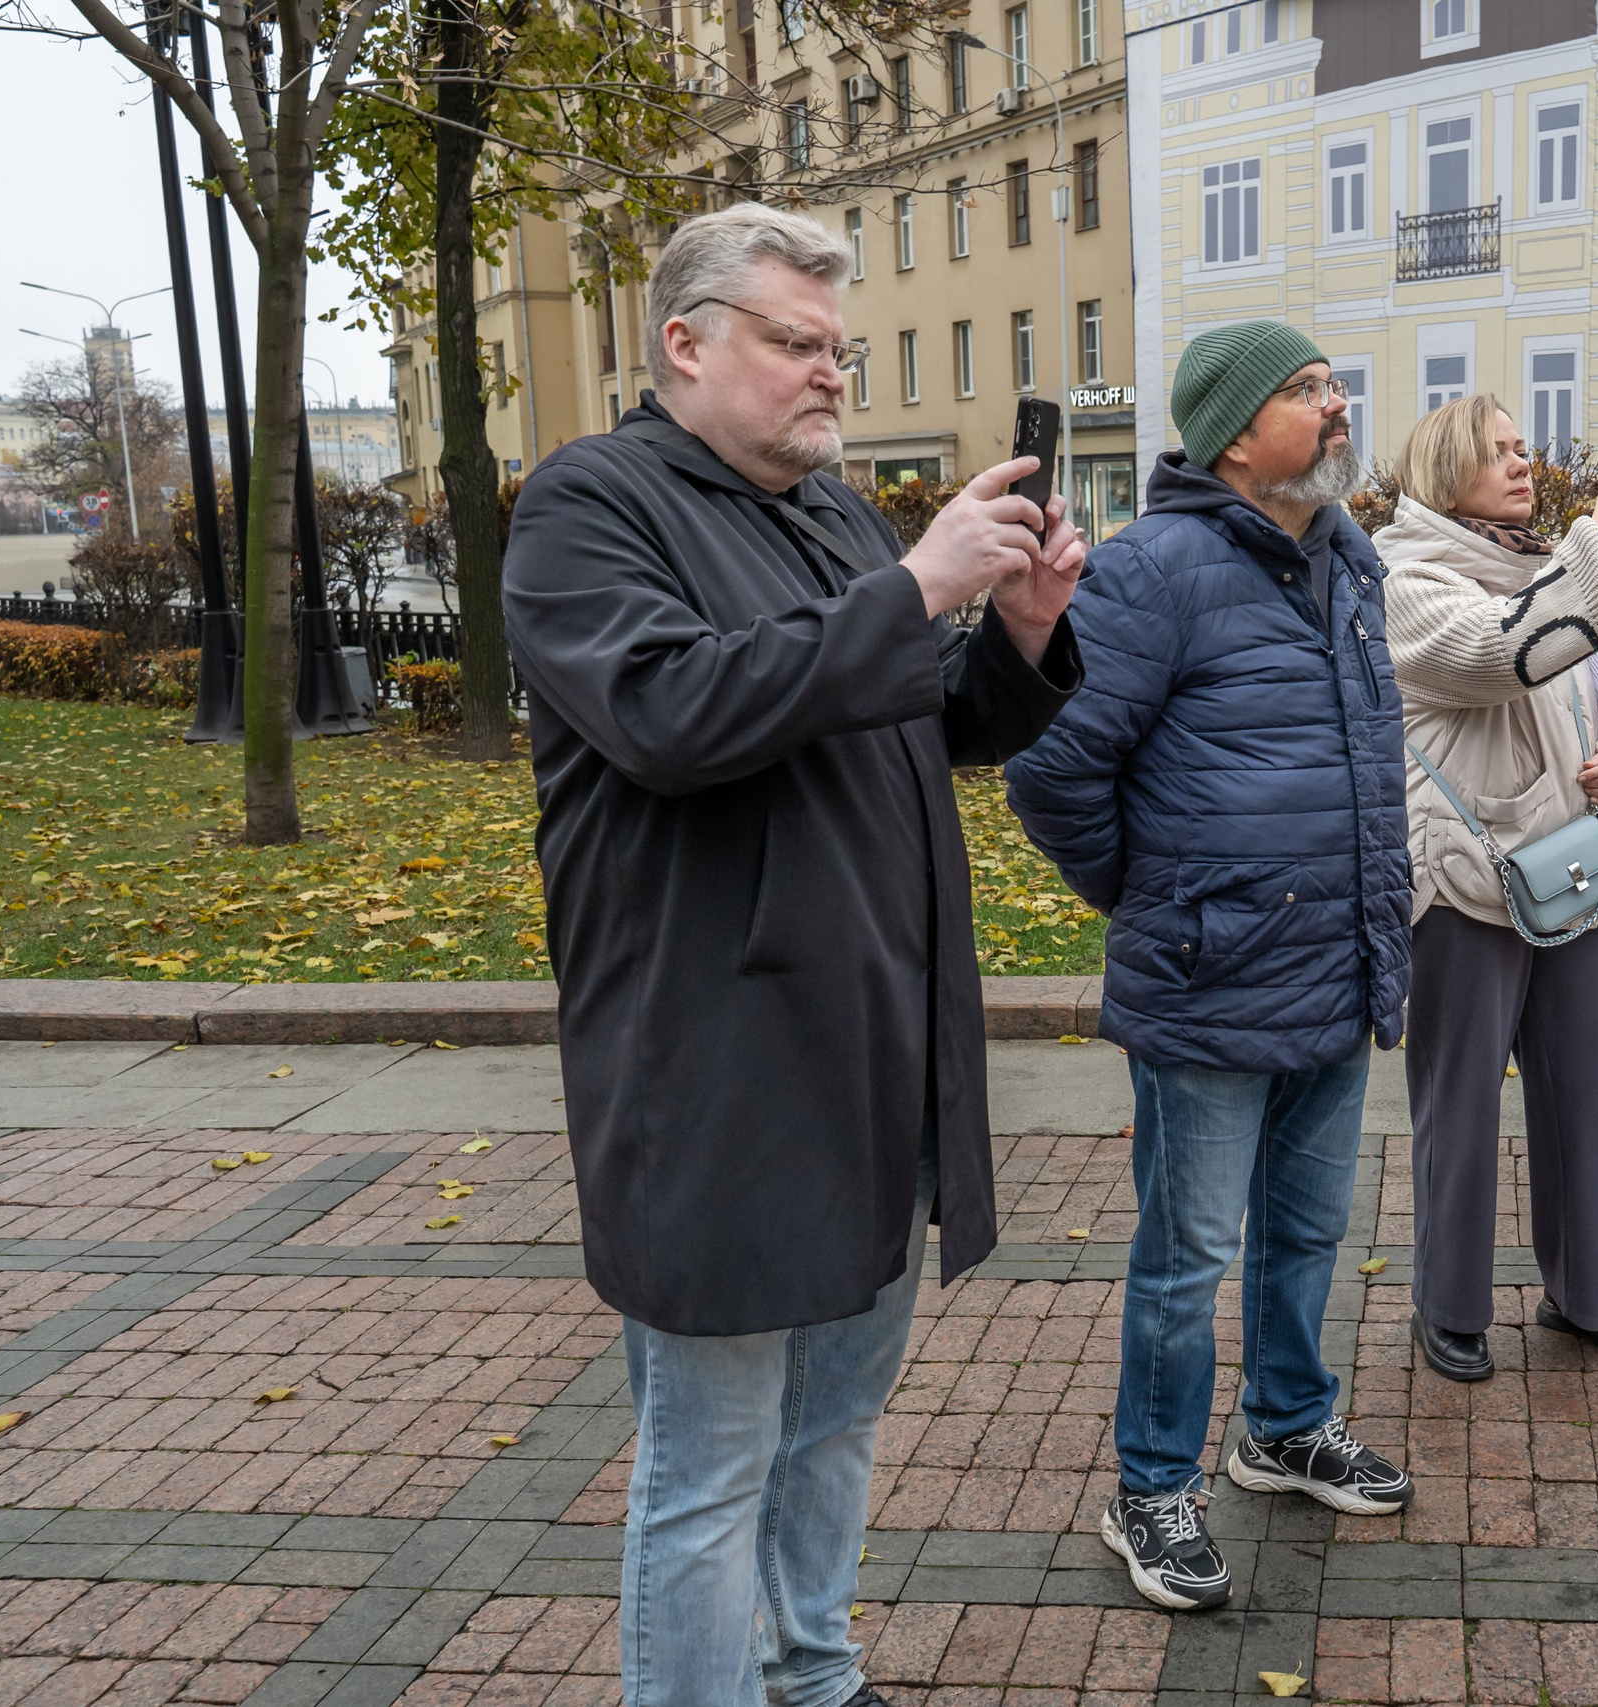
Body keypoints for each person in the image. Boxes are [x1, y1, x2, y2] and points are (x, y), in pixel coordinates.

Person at [500, 203, 1085, 1707]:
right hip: (719, 1072)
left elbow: (924, 722)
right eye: (796, 342)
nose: (833, 373)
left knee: (835, 1421)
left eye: (843, 346)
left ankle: (813, 1671)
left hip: (876, 1050)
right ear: (685, 344)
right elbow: (671, 711)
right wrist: (919, 589)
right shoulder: (588, 504)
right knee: (710, 1464)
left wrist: (1013, 633)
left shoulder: (826, 514)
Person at [1004, 320, 1414, 1611]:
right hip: (1208, 983)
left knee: (1309, 1228)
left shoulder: (1348, 558)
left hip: (1334, 968)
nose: (1337, 405)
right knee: (1186, 1256)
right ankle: (1151, 1484)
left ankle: (1285, 1422)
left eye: (1334, 383)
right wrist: (1148, 892)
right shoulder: (1157, 570)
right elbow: (1050, 762)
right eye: (1308, 391)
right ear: (1237, 431)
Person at [1376, 397, 1598, 1383]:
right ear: (1444, 466)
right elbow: (1505, 653)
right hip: (1463, 880)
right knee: (1457, 1105)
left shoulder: (1542, 571)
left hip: (1569, 872)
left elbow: (1594, 702)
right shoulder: (1408, 580)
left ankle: (1589, 1296)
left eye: (1519, 448)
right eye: (1496, 450)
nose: (1519, 462)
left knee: (1593, 1087)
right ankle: (1448, 1305)